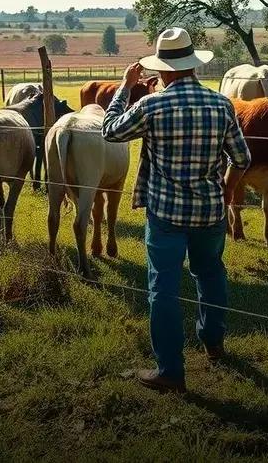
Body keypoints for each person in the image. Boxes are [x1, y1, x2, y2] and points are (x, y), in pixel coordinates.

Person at [103, 27, 252, 393]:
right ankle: (213, 341)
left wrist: (125, 87)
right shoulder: (221, 104)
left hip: (166, 215)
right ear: (191, 66)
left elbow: (110, 131)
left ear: (163, 70)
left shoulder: (151, 105)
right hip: (210, 211)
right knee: (211, 274)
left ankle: (170, 371)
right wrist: (227, 189)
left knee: (163, 290)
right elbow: (242, 158)